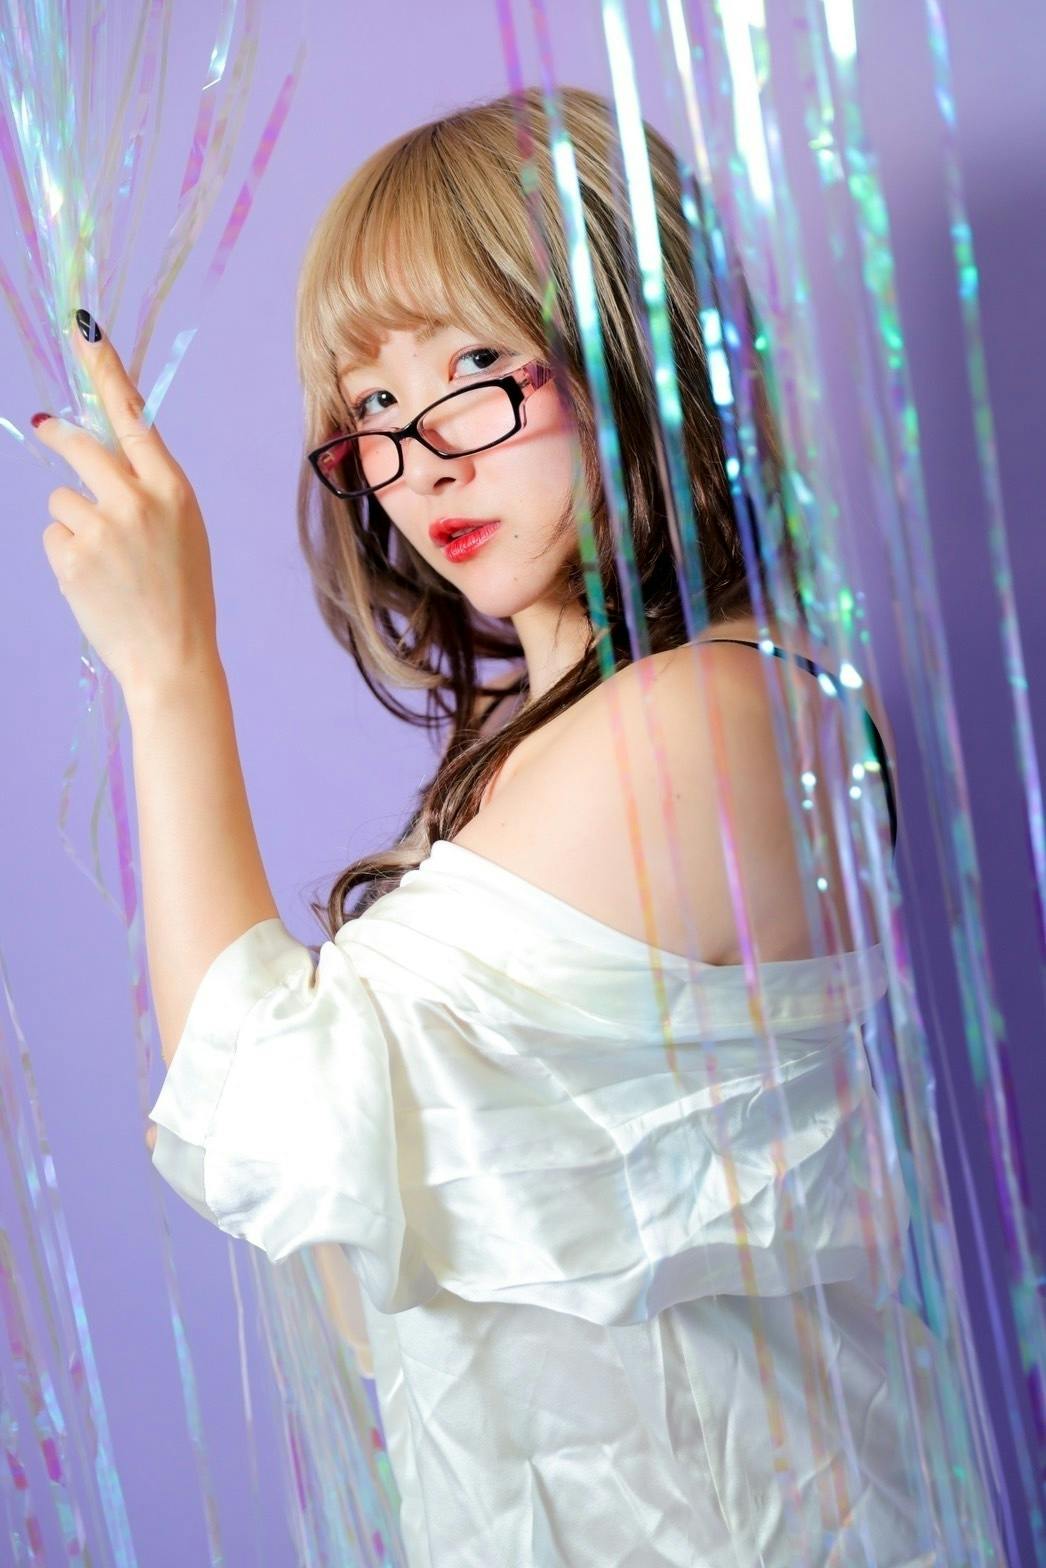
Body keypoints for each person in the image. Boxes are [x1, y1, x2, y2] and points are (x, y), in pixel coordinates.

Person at [41, 86, 974, 1568]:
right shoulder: (538, 758)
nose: (423, 456)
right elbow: (376, 1275)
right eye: (371, 406)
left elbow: (277, 1121)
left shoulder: (709, 722)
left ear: (636, 351)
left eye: (476, 366)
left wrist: (168, 670)